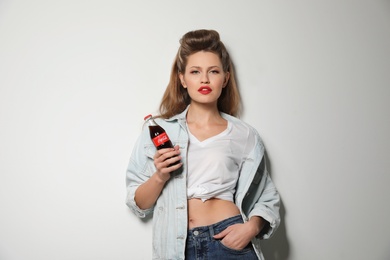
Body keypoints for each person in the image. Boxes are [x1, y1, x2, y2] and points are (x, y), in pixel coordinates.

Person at [126, 29, 280, 260]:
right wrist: (159, 176)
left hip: (230, 243)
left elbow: (267, 198)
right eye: (195, 71)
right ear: (182, 79)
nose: (205, 79)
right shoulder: (159, 132)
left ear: (225, 78)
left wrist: (251, 228)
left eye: (214, 71)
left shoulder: (244, 134)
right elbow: (138, 204)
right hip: (177, 247)